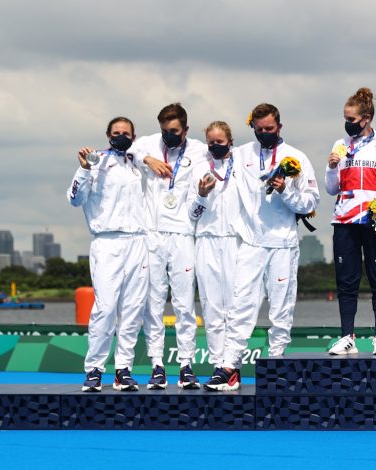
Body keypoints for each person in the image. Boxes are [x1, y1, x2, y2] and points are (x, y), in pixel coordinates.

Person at [213, 103, 319, 391]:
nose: (264, 134)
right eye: (259, 130)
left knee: (281, 308)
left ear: (279, 127)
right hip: (251, 243)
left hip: (283, 243)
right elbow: (211, 153)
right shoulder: (241, 155)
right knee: (240, 306)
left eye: (269, 129)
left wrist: (285, 190)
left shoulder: (296, 157)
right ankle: (229, 367)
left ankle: (276, 365)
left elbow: (311, 202)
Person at [68, 116, 148, 392]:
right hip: (107, 241)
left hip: (138, 242)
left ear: (133, 137)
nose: (121, 136)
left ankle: (123, 369)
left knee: (133, 310)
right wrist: (84, 170)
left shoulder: (137, 165)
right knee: (105, 307)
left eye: (126, 133)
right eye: (116, 132)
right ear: (108, 135)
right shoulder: (96, 162)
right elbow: (74, 198)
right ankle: (94, 370)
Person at [133, 103, 207, 390]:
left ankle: (187, 364)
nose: (169, 136)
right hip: (152, 235)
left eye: (174, 131)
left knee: (184, 302)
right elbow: (130, 151)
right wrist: (149, 159)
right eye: (165, 131)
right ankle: (157, 365)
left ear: (185, 129)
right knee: (153, 304)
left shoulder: (198, 149)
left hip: (182, 234)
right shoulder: (149, 143)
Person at [325, 88, 376, 357]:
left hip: (374, 221)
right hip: (344, 220)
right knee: (347, 282)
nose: (348, 123)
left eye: (351, 118)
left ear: (366, 118)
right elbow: (331, 189)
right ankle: (347, 336)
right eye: (345, 118)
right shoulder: (339, 145)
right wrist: (331, 167)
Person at [189, 121, 242, 390]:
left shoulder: (242, 168)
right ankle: (217, 364)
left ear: (230, 141)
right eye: (211, 142)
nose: (215, 146)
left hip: (235, 242)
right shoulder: (199, 171)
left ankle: (231, 366)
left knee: (234, 307)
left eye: (220, 141)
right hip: (206, 241)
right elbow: (192, 214)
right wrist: (200, 195)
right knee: (211, 307)